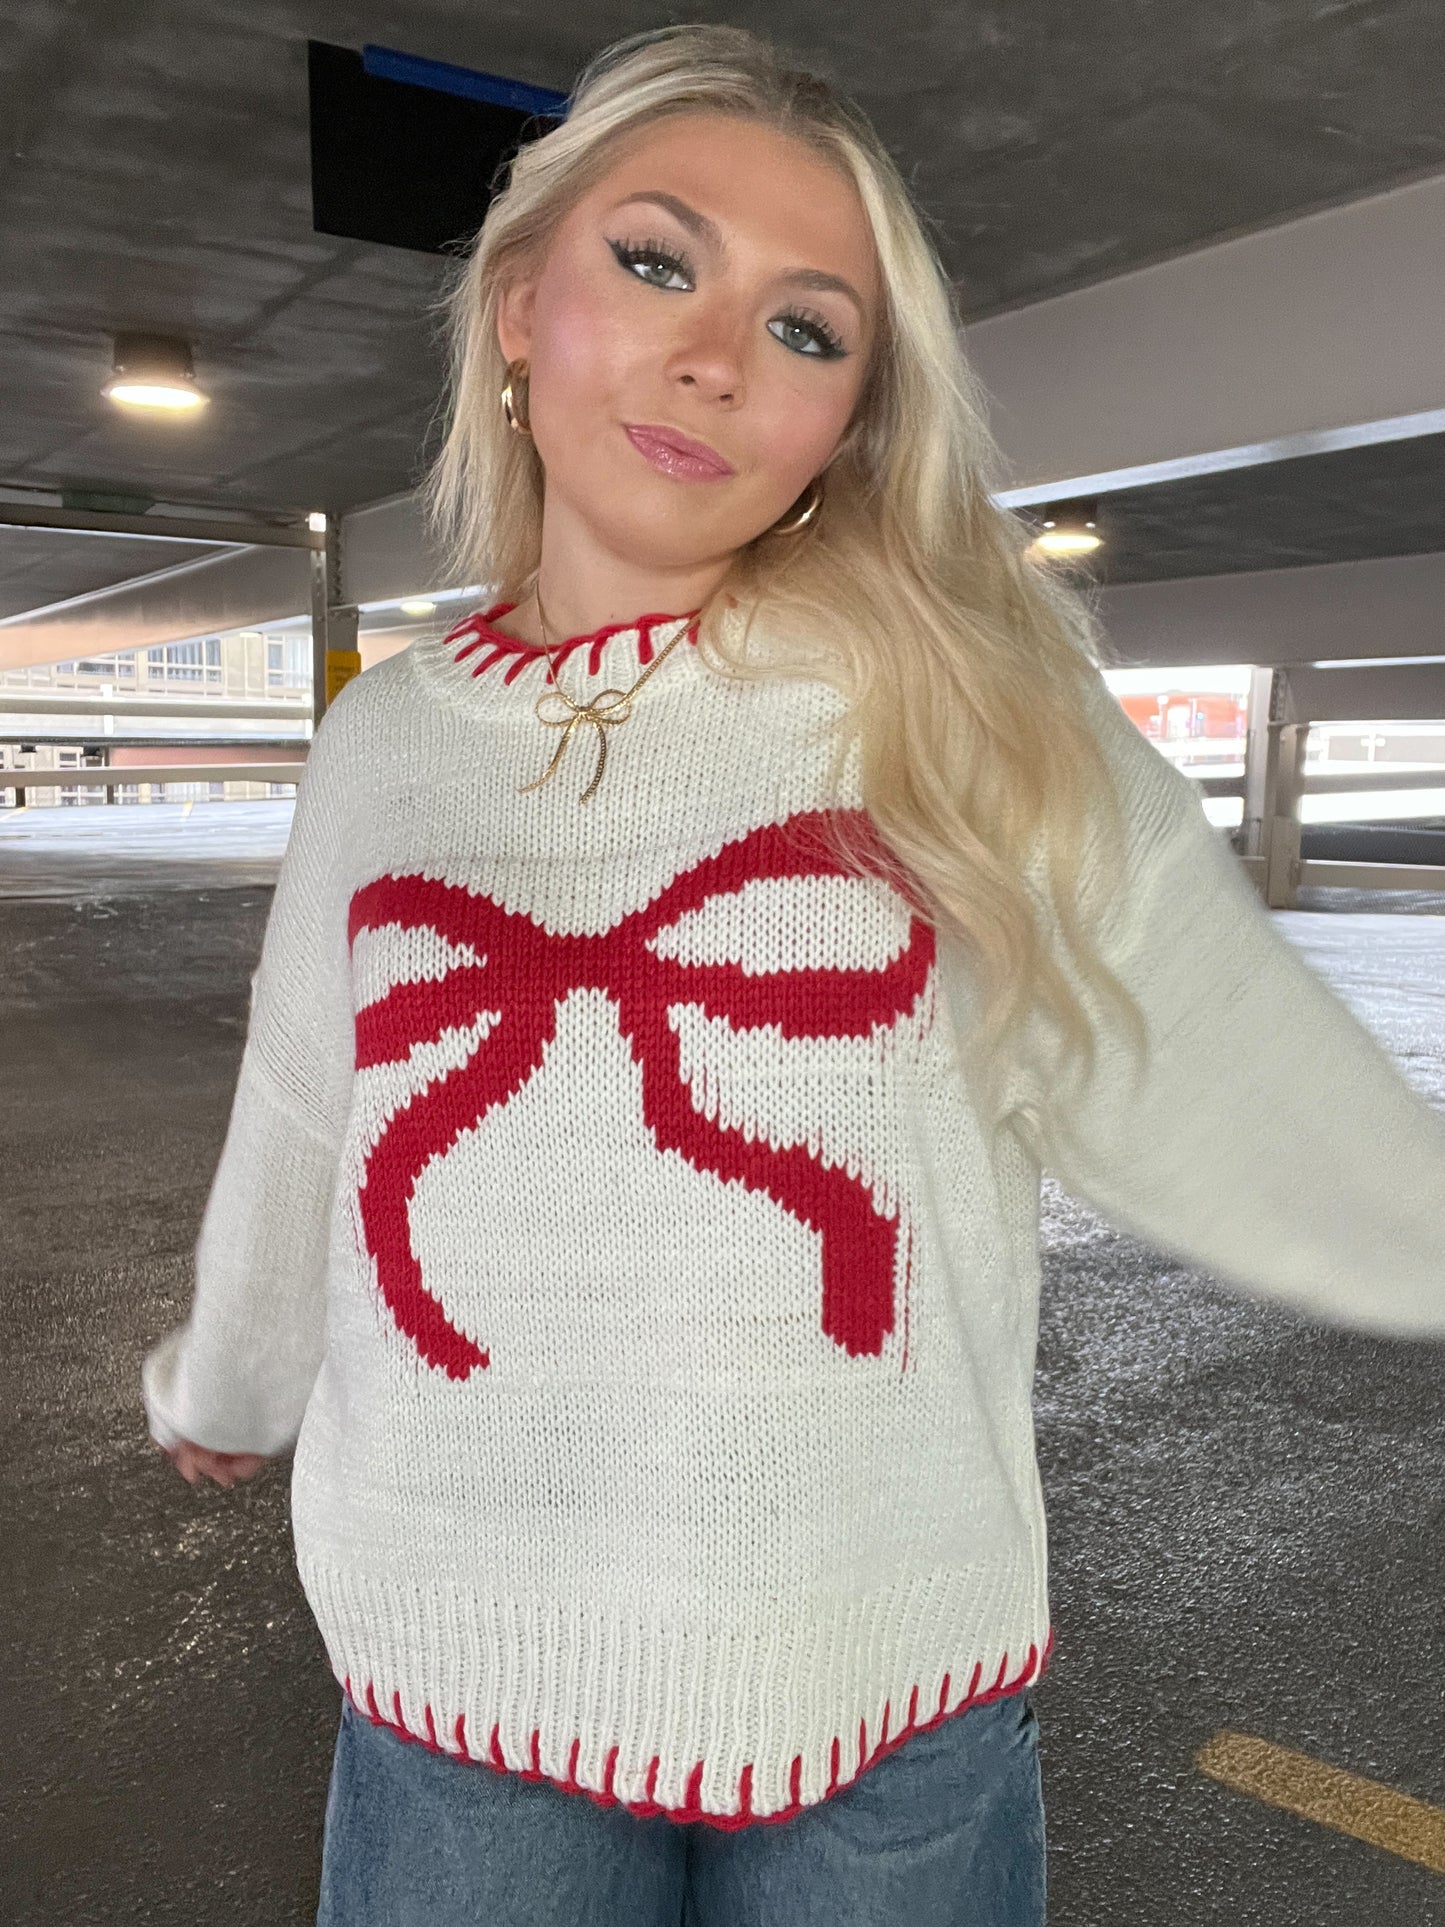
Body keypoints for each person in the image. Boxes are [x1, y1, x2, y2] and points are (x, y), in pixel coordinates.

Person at [141, 23, 1445, 1926]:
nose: (716, 357)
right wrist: (231, 1384)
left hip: (879, 1674)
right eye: (657, 262)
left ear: (853, 415)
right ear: (518, 307)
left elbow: (1241, 1067)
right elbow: (310, 1114)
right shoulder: (385, 746)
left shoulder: (970, 716)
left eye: (809, 329)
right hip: (457, 1659)